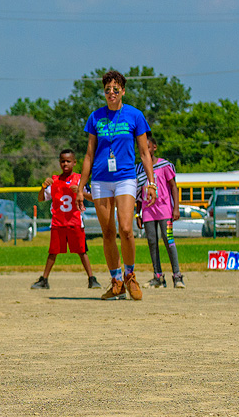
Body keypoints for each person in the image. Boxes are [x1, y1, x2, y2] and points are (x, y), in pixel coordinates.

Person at [76, 70, 156, 301]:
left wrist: (151, 183)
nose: (111, 93)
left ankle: (130, 276)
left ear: (123, 91)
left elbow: (144, 153)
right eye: (107, 89)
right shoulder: (95, 117)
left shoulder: (134, 115)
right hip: (100, 180)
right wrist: (81, 188)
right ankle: (116, 281)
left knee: (126, 229)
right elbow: (89, 154)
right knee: (108, 232)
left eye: (116, 89)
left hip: (125, 178)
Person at [32, 148, 96, 289]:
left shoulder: (80, 179)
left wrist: (81, 192)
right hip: (58, 222)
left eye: (68, 161)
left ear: (74, 163)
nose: (65, 164)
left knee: (82, 251)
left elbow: (93, 198)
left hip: (75, 221)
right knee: (53, 252)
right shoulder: (54, 181)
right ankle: (44, 279)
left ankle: (92, 278)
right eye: (62, 161)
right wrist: (43, 187)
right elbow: (41, 199)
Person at [134, 132, 183, 289]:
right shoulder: (139, 169)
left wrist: (176, 207)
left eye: (147, 147)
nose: (145, 149)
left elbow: (174, 187)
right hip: (148, 211)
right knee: (152, 242)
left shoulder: (165, 165)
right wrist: (138, 213)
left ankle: (177, 275)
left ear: (154, 147)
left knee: (169, 240)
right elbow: (139, 193)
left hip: (164, 210)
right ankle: (158, 276)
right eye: (142, 147)